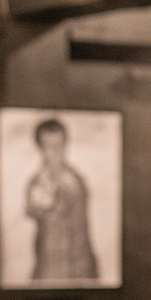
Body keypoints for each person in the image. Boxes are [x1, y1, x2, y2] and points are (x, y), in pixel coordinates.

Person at [25, 116, 99, 281]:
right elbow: (35, 209)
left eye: (60, 144)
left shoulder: (76, 179)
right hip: (51, 269)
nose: (56, 151)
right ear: (40, 149)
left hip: (83, 266)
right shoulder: (37, 183)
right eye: (49, 146)